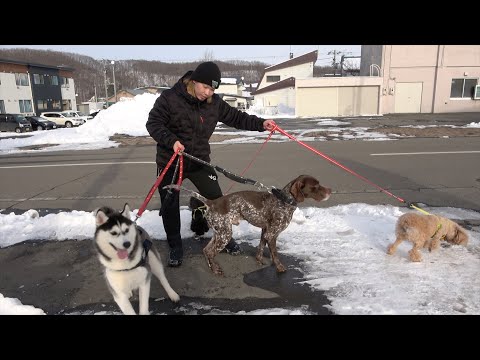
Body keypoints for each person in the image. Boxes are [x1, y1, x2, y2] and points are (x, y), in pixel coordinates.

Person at [146, 61, 276, 267]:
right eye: (205, 87)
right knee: (170, 205)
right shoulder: (170, 98)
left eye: (212, 89)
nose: (208, 92)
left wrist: (261, 124)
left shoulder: (214, 103)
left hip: (198, 161)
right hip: (171, 161)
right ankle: (175, 246)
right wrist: (171, 141)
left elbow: (236, 117)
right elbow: (153, 123)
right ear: (194, 81)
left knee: (218, 200)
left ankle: (224, 238)